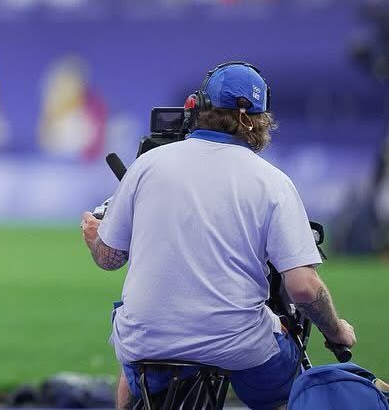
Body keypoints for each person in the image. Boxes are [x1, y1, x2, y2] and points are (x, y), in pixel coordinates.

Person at [80, 62, 358, 410]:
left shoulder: (146, 166)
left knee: (135, 364)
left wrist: (95, 237)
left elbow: (109, 258)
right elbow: (303, 287)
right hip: (242, 348)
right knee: (283, 369)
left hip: (147, 343)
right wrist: (337, 333)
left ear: (197, 108)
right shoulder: (272, 181)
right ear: (257, 119)